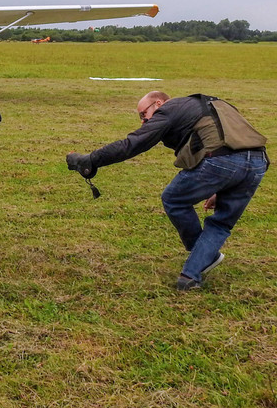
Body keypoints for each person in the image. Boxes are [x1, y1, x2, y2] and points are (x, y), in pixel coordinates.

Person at [67, 90, 268, 291]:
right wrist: (221, 187)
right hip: (258, 163)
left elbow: (134, 143)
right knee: (222, 223)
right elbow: (236, 141)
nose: (144, 122)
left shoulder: (169, 109)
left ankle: (203, 255)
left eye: (143, 115)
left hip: (219, 160)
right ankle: (190, 277)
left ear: (158, 103)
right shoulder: (216, 105)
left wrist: (91, 160)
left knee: (174, 199)